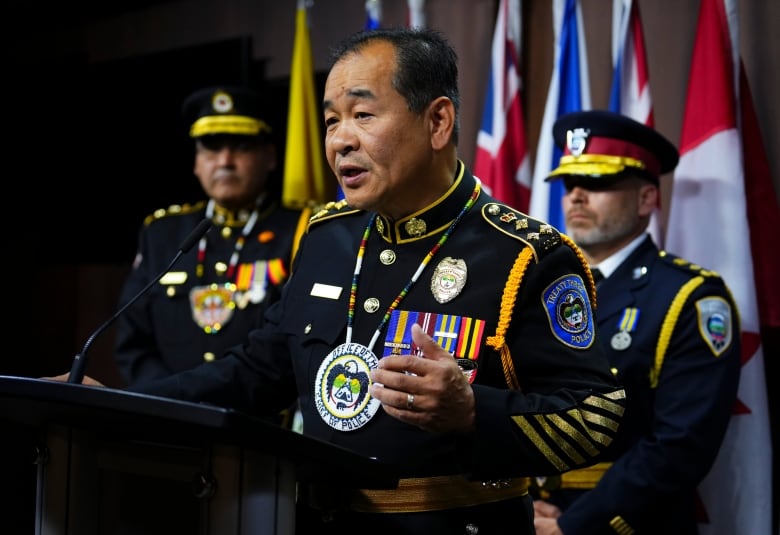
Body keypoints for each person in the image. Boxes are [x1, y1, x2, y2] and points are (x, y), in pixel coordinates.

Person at [53, 28, 625, 534]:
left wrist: (475, 411)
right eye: (331, 120)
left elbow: (594, 417)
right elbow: (258, 369)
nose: (339, 140)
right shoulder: (327, 236)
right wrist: (121, 402)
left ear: (437, 121)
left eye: (363, 115)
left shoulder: (527, 254)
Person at [532, 110, 741, 535]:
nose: (575, 196)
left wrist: (575, 526)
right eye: (570, 184)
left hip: (626, 522)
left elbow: (679, 446)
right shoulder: (538, 287)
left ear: (647, 198)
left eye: (597, 183)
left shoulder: (690, 298)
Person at [114, 85, 311, 390]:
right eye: (211, 147)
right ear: (196, 161)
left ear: (270, 157)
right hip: (168, 418)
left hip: (258, 425)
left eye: (241, 147)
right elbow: (133, 342)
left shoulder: (301, 228)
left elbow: (293, 344)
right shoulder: (161, 233)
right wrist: (168, 401)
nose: (225, 161)